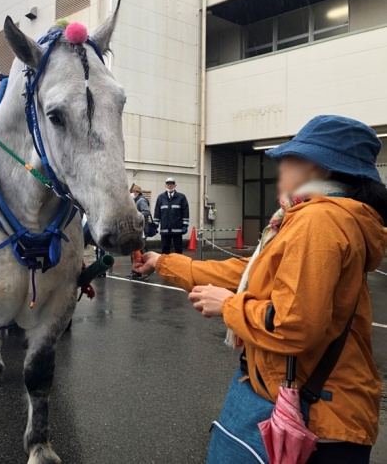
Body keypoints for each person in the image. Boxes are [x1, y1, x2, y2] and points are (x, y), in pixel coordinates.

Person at [134, 115, 387, 464]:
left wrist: (228, 306)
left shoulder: (319, 221)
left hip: (321, 419)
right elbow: (250, 274)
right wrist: (163, 262)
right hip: (325, 405)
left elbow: (292, 323)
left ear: (317, 166)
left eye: (289, 158)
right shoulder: (315, 216)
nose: (281, 168)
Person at [154, 177, 189, 254]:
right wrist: (155, 226)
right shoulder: (160, 198)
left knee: (178, 249)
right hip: (165, 230)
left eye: (172, 184)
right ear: (165, 185)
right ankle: (165, 265)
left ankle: (178, 264)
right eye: (168, 184)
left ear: (175, 185)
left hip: (177, 230)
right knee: (165, 249)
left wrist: (185, 225)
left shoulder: (181, 197)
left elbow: (185, 212)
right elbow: (157, 213)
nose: (170, 185)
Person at [130, 185, 151, 279]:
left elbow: (146, 212)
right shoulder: (136, 200)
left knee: (139, 251)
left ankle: (143, 272)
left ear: (137, 192)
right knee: (135, 251)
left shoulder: (141, 201)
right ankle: (136, 271)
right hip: (138, 229)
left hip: (141, 230)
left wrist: (135, 216)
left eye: (132, 192)